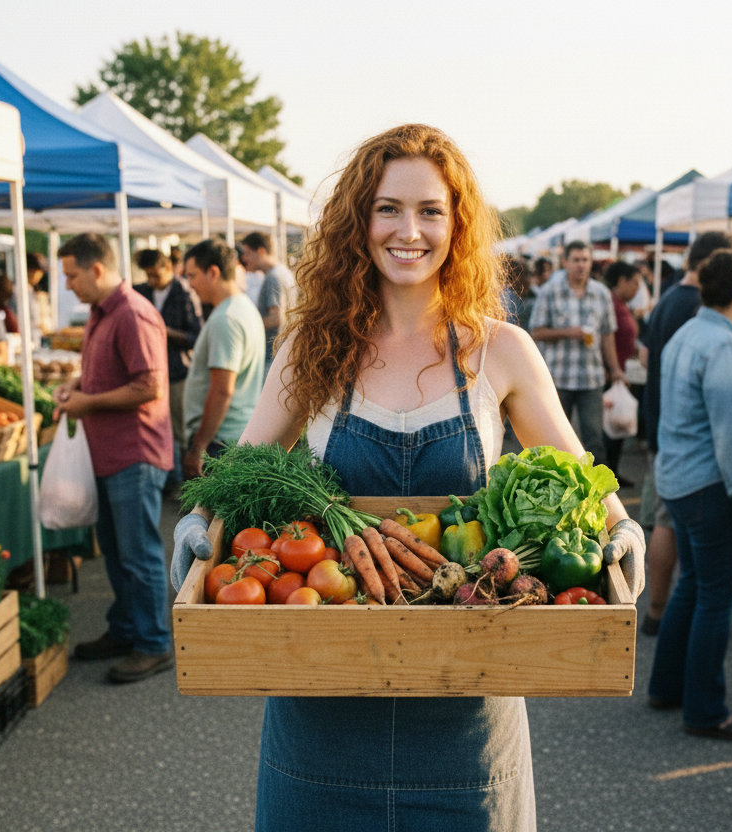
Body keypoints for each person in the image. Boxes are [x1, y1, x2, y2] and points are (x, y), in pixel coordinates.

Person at [170, 124, 645, 831]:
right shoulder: (312, 348)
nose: (409, 230)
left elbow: (583, 476)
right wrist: (197, 522)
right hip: (323, 711)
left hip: (467, 718)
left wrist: (621, 524)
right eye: (388, 208)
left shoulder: (502, 351)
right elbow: (242, 470)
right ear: (359, 222)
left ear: (458, 225)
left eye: (430, 210)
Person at [647, 249, 732, 742]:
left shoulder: (690, 333)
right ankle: (705, 710)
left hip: (679, 479)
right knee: (717, 596)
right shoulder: (722, 345)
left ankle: (666, 686)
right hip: (709, 486)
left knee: (694, 586)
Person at [53, 233, 174, 684]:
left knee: (139, 554)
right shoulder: (100, 314)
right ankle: (126, 629)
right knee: (119, 554)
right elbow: (104, 372)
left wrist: (89, 402)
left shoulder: (134, 314)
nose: (67, 285)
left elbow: (150, 387)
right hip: (107, 454)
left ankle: (154, 643)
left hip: (134, 454)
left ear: (96, 269)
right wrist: (77, 389)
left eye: (71, 275)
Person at [638, 231, 732, 634]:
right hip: (679, 437)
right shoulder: (692, 307)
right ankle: (658, 611)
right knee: (668, 523)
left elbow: (648, 354)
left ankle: (662, 609)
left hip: (664, 427)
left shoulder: (669, 298)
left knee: (668, 520)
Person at [529, 240, 625, 464]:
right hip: (558, 377)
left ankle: (598, 493)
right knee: (554, 439)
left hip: (591, 378)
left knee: (593, 439)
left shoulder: (600, 293)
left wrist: (615, 369)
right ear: (565, 262)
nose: (581, 265)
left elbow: (607, 335)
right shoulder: (550, 291)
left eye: (585, 260)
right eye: (576, 260)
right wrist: (568, 332)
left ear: (591, 263)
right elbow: (536, 331)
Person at [180, 238, 265, 480]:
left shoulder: (226, 318)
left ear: (213, 273)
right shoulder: (242, 308)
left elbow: (221, 391)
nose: (190, 284)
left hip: (219, 445)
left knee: (208, 517)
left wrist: (198, 448)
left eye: (193, 275)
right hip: (230, 438)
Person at [133, 248, 204, 488]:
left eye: (156, 275)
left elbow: (196, 336)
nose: (152, 280)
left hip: (176, 372)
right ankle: (166, 480)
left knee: (179, 430)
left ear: (167, 268)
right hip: (149, 371)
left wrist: (164, 330)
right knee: (156, 429)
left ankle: (184, 484)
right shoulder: (141, 291)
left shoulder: (184, 293)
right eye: (148, 275)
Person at [602, 261, 643, 486]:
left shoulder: (622, 305)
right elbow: (605, 337)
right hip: (612, 374)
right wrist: (611, 368)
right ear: (622, 281)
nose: (638, 288)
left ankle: (613, 473)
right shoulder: (611, 304)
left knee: (614, 428)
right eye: (635, 282)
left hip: (620, 372)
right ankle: (608, 476)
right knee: (610, 426)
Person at [242, 232, 295, 364]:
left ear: (261, 252)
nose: (244, 258)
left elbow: (275, 319)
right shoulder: (284, 272)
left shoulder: (273, 277)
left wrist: (246, 325)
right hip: (282, 352)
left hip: (272, 356)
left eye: (247, 253)